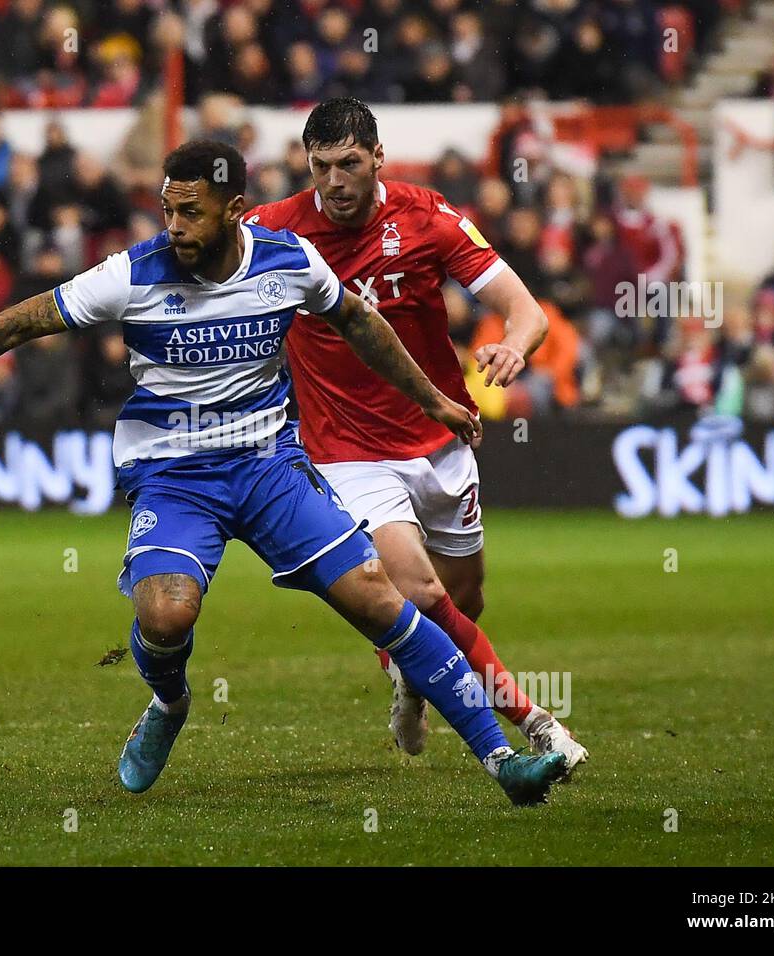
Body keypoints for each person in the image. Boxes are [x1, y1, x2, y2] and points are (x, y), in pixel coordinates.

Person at [0, 140, 568, 805]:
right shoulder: (132, 275)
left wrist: (434, 399)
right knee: (166, 614)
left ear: (232, 209)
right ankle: (169, 703)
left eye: (188, 211)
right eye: (166, 209)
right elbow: (13, 324)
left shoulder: (287, 263)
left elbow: (360, 326)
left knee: (383, 599)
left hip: (269, 469)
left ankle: (502, 761)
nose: (173, 225)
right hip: (174, 477)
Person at [246, 98, 588, 769]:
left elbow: (525, 310)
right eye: (321, 167)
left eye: (349, 164)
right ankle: (535, 722)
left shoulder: (427, 217)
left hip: (441, 440)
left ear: (378, 158)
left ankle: (409, 680)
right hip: (347, 454)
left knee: (463, 601)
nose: (335, 181)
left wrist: (515, 347)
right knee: (420, 595)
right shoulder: (275, 233)